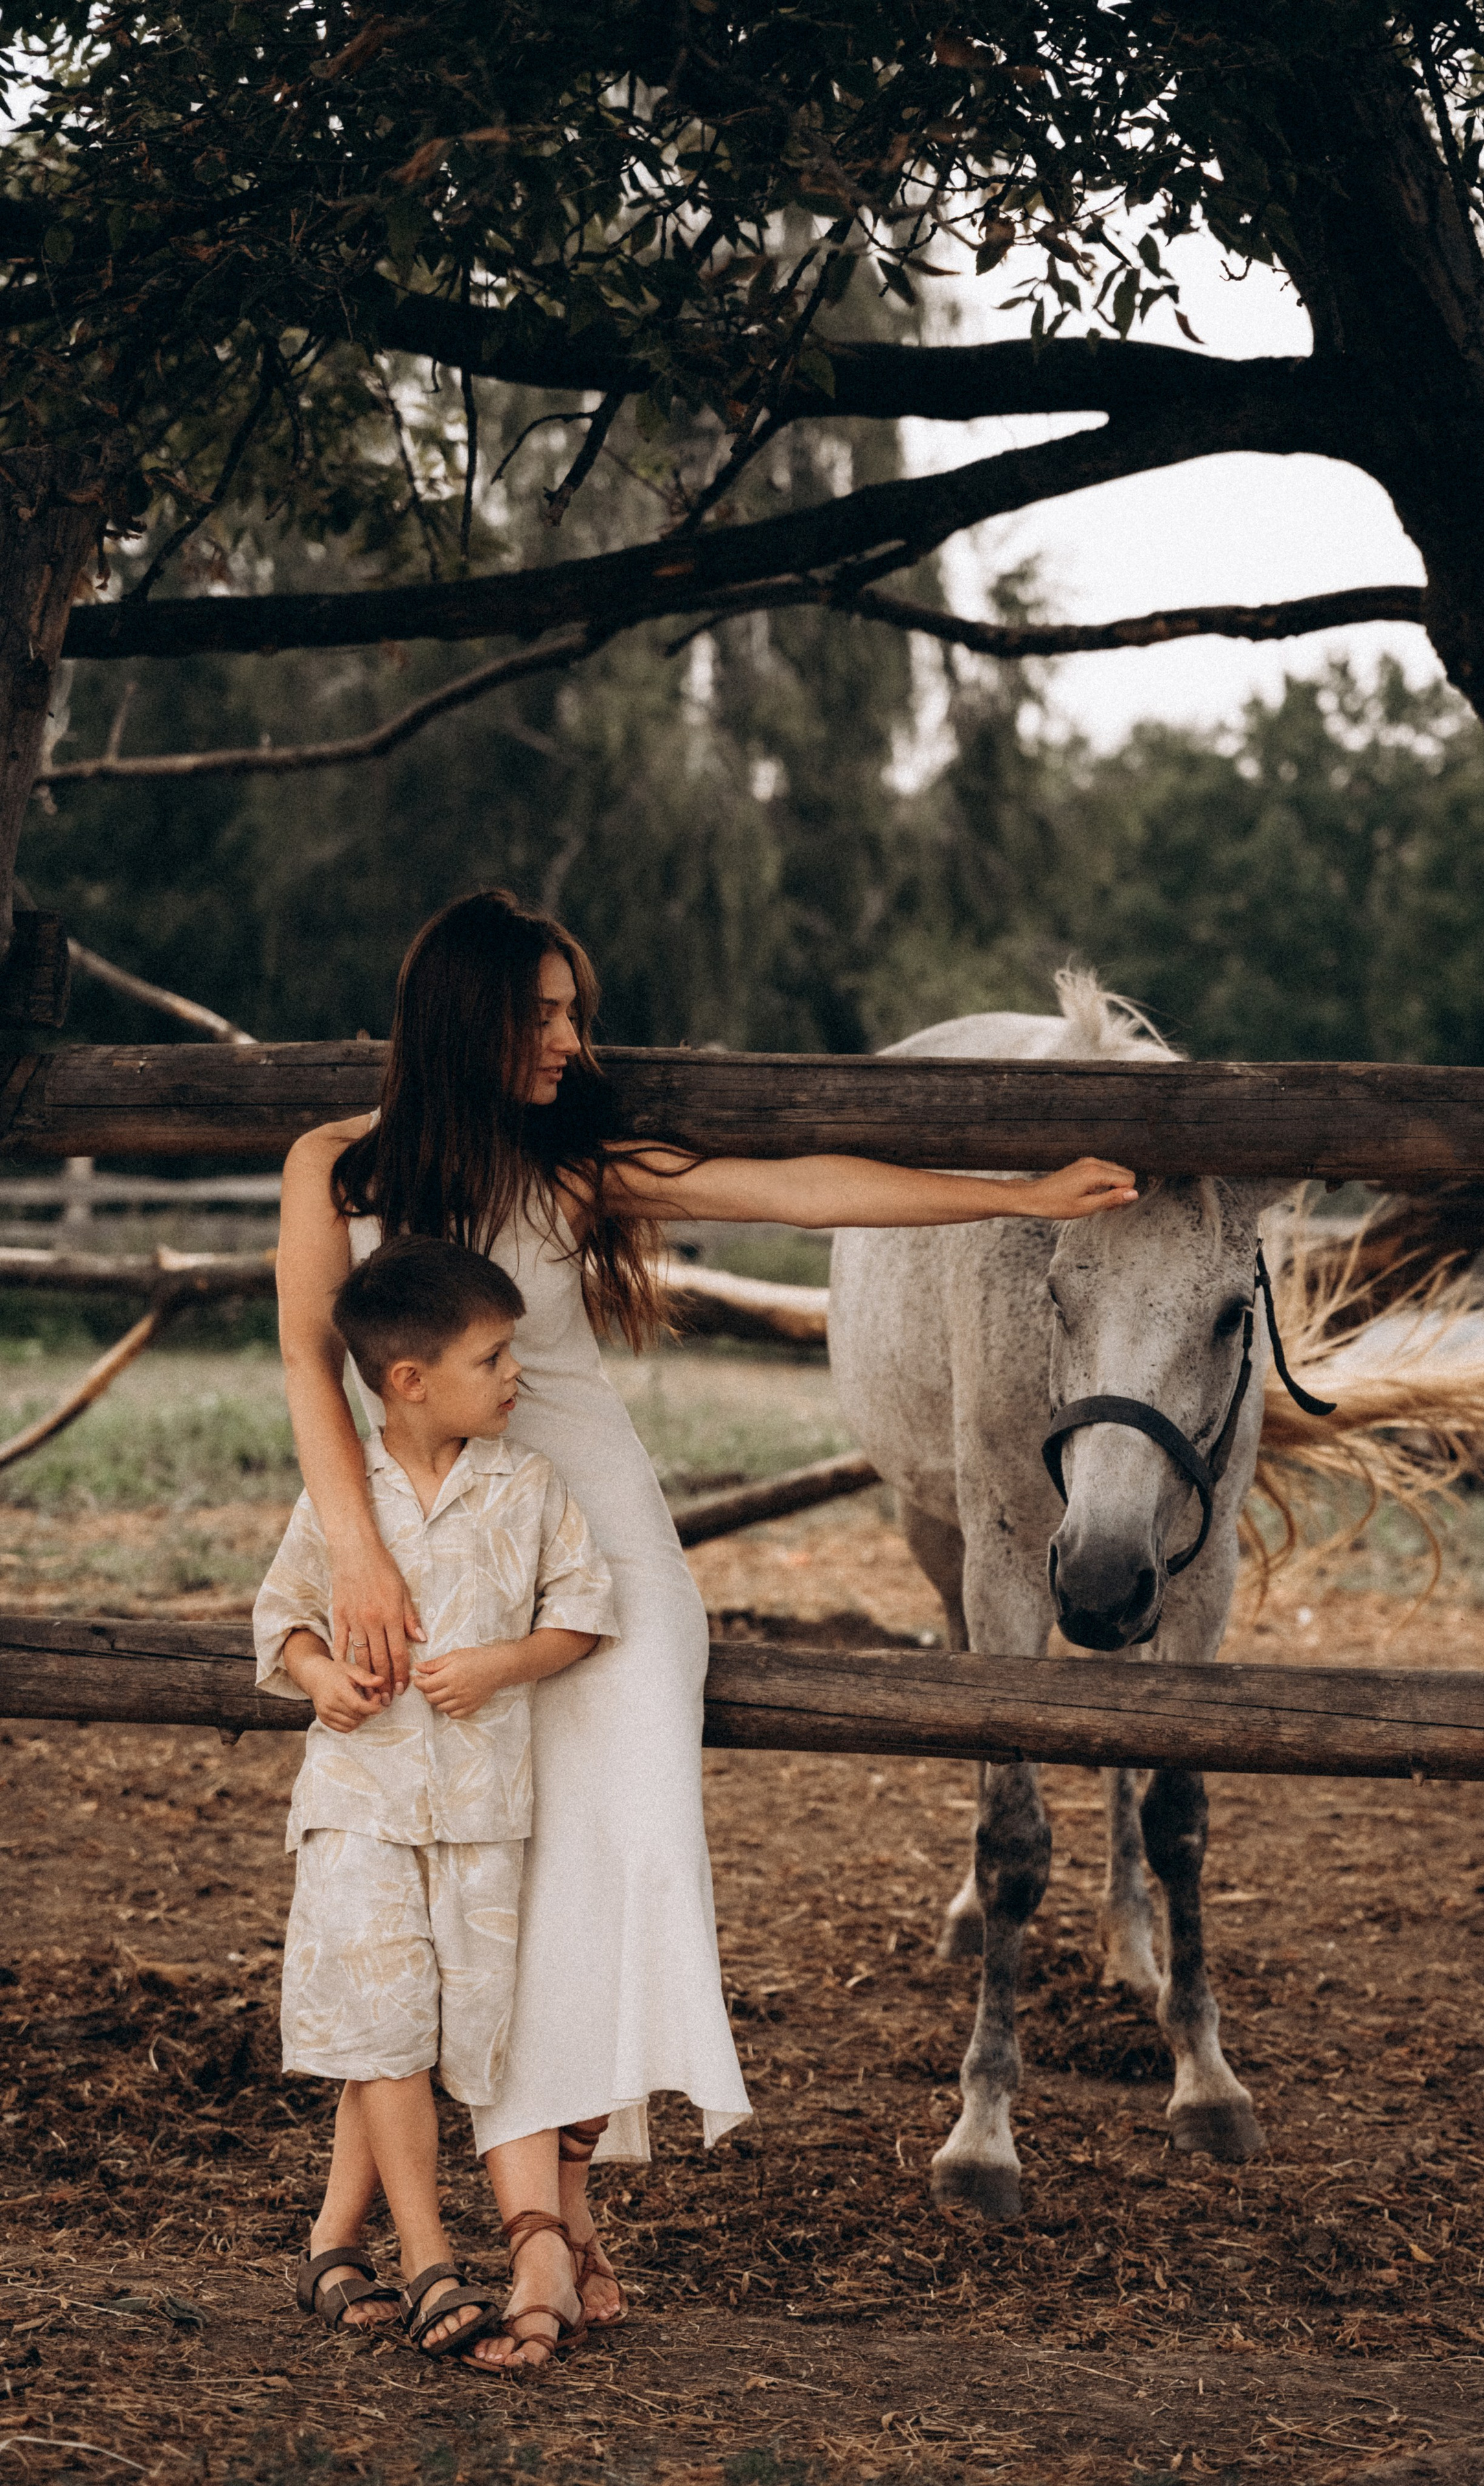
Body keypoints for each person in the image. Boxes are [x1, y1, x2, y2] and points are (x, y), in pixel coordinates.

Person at [276, 888, 1139, 2369]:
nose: (570, 1039)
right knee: (448, 1864)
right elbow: (308, 1362)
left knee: (614, 1857)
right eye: (544, 1012)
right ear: (467, 1015)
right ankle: (474, 2224)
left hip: (598, 1543)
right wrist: (357, 1557)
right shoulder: (332, 1167)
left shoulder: (571, 1167)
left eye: (573, 1012)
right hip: (428, 1540)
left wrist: (1017, 1193)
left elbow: (797, 1187)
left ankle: (543, 2217)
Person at [258, 1234, 619, 2369]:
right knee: (383, 2027)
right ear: (410, 1380)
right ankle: (428, 2260)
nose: (517, 1374)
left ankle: (332, 2244)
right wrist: (320, 1676)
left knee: (424, 2029)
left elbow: (584, 1611)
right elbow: (285, 1615)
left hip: (476, 1817)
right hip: (359, 1802)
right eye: (494, 1357)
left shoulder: (529, 1486)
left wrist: (505, 1665)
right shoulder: (343, 1495)